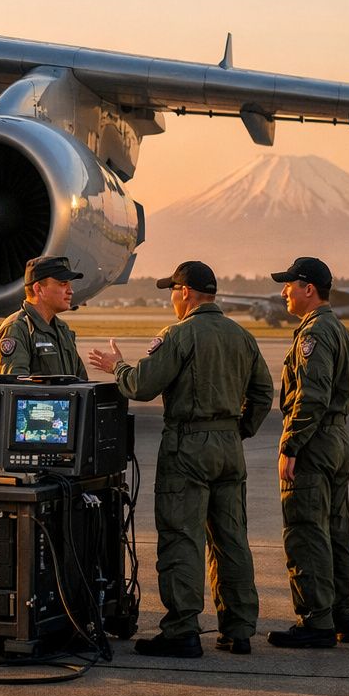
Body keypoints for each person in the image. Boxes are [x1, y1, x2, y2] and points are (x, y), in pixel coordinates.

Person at [88, 260, 273, 658]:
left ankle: (182, 630)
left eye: (173, 291)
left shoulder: (179, 334)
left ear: (185, 292)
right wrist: (237, 431)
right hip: (228, 446)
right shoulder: (242, 335)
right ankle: (238, 629)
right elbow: (262, 393)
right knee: (231, 539)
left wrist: (116, 366)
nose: (172, 299)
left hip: (188, 446)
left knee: (181, 537)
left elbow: (141, 385)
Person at [265, 256, 349, 648]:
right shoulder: (339, 329)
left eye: (289, 284)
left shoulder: (314, 334)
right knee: (336, 531)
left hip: (314, 441)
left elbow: (312, 396)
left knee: (306, 530)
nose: (284, 291)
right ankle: (342, 616)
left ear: (309, 289)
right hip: (336, 439)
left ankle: (316, 621)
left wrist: (291, 445)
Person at [0, 256, 87, 377]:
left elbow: (80, 382)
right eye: (63, 284)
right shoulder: (16, 330)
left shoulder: (63, 330)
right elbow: (15, 388)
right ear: (38, 289)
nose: (70, 291)